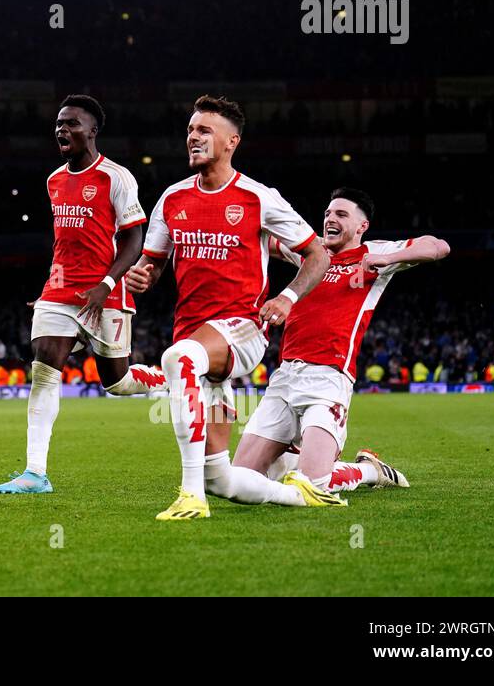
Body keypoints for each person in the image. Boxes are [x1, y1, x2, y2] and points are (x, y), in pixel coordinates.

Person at [126, 94, 338, 520]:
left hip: (243, 330)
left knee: (176, 358)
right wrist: (141, 275)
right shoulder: (171, 199)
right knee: (219, 477)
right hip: (196, 338)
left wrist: (286, 296)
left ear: (231, 142)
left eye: (204, 130)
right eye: (190, 130)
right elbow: (152, 263)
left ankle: (189, 497)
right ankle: (298, 496)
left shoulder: (259, 197)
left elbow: (319, 253)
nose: (194, 137)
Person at [230, 188, 448, 497]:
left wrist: (389, 258)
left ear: (362, 226)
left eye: (341, 215)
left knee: (310, 487)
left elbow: (438, 246)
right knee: (238, 483)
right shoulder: (312, 252)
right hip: (285, 377)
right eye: (328, 214)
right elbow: (265, 238)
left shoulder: (373, 252)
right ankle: (293, 455)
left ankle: (369, 470)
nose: (330, 219)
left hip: (328, 378)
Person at [0, 94, 161, 495]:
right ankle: (35, 473)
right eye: (58, 124)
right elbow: (65, 243)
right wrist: (51, 287)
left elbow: (133, 237)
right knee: (44, 366)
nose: (62, 130)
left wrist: (106, 284)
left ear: (92, 131)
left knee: (117, 384)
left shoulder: (115, 177)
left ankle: (167, 378)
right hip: (60, 290)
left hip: (106, 291)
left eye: (71, 123)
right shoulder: (53, 180)